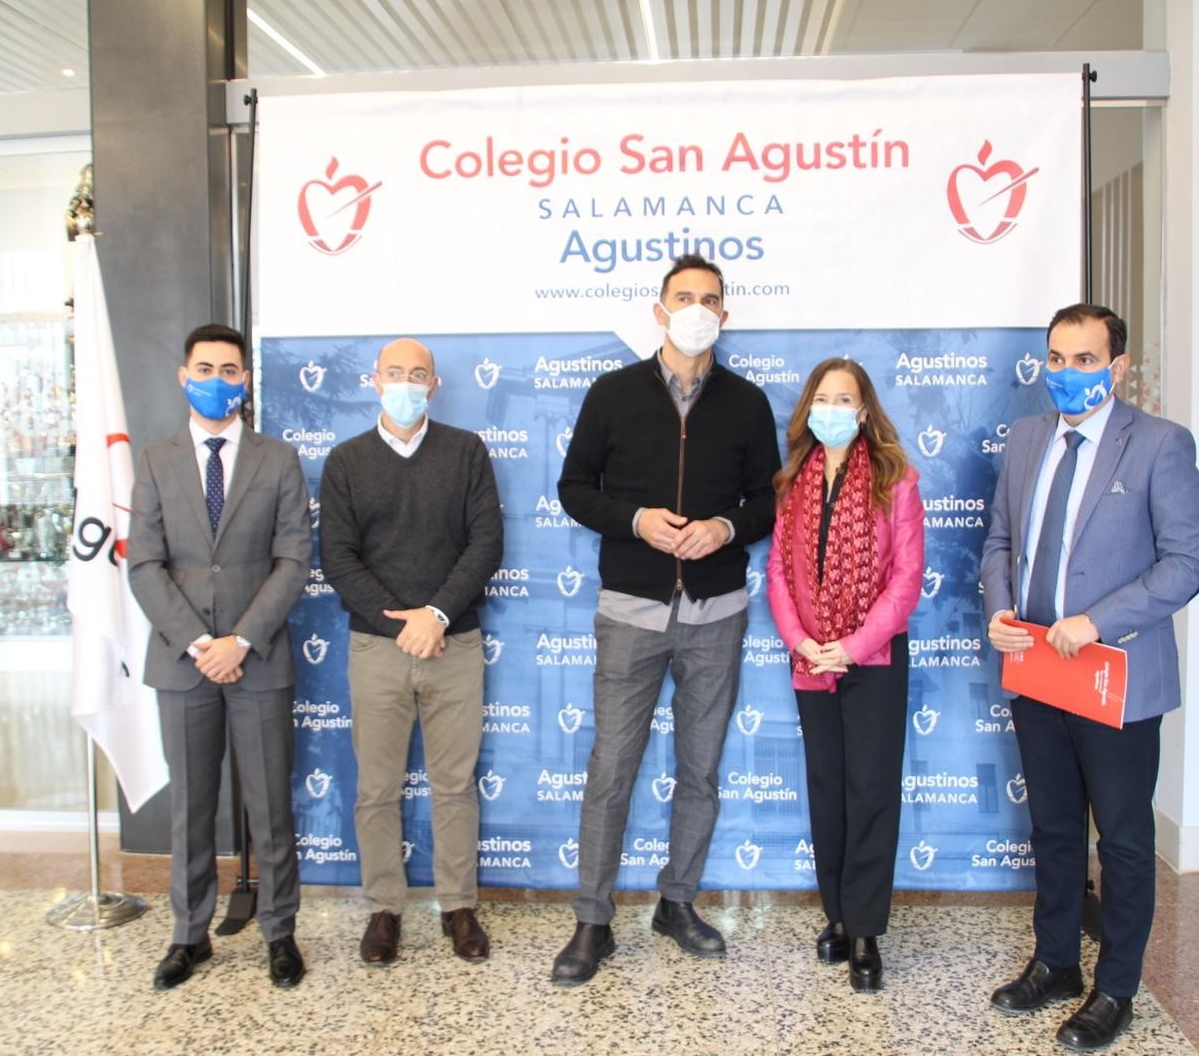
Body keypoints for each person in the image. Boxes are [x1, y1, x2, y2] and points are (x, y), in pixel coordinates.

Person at [551, 254, 781, 984]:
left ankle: (676, 902)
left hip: (717, 611)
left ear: (725, 313)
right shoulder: (611, 394)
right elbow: (573, 488)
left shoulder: (746, 403)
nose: (696, 308)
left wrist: (724, 527)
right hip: (630, 610)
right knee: (610, 768)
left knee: (700, 771)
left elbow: (766, 502)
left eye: (709, 298)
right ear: (658, 310)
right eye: (683, 297)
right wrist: (636, 519)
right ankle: (593, 919)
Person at [981, 304, 1199, 1050]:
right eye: (1056, 358)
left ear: (1117, 366)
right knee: (1051, 827)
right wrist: (1000, 610)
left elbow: (1183, 563)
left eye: (1084, 360)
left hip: (1114, 673)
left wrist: (1097, 620)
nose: (1067, 373)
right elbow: (998, 543)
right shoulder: (1025, 439)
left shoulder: (1160, 446)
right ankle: (1054, 963)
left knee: (1125, 839)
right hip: (1034, 668)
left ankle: (1115, 988)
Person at [128, 323, 311, 990]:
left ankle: (281, 933)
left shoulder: (278, 459)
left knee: (270, 807)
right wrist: (202, 644)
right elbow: (145, 566)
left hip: (258, 659)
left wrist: (240, 639)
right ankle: (188, 936)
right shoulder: (155, 461)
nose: (217, 378)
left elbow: (294, 559)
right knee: (192, 807)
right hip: (182, 663)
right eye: (204, 367)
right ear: (184, 376)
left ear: (245, 380)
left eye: (229, 369)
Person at [320, 338, 503, 967]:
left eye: (417, 374)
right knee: (376, 787)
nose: (406, 382)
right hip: (377, 646)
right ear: (375, 382)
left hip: (454, 642)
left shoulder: (466, 451)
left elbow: (485, 542)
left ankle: (458, 904)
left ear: (434, 384)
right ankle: (384, 909)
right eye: (395, 373)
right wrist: (399, 621)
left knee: (454, 785)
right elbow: (337, 556)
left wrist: (437, 614)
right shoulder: (345, 461)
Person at [766, 357, 923, 993]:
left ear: (863, 412)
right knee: (828, 789)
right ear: (809, 410)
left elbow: (905, 581)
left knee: (871, 792)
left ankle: (865, 932)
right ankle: (836, 914)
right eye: (821, 398)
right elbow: (777, 570)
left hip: (874, 660)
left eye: (845, 399)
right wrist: (803, 640)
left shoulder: (896, 478)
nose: (832, 409)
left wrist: (851, 647)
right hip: (810, 658)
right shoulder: (792, 481)